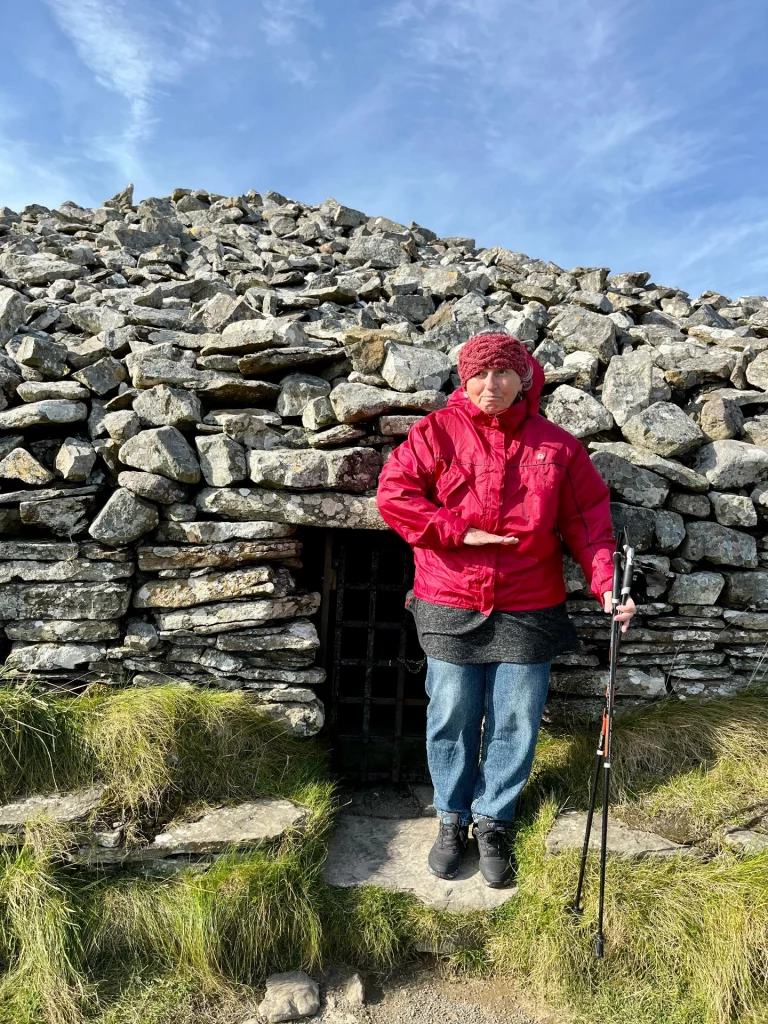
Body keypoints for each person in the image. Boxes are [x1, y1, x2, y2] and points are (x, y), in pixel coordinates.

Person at [376, 332, 635, 888]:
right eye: (478, 374)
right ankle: (452, 817)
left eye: (502, 373)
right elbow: (395, 495)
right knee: (451, 712)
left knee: (515, 718)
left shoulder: (559, 447)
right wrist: (456, 532)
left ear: (525, 378)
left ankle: (495, 818)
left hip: (528, 603)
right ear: (463, 380)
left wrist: (607, 585)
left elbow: (587, 523)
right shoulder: (434, 432)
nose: (490, 385)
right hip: (448, 597)